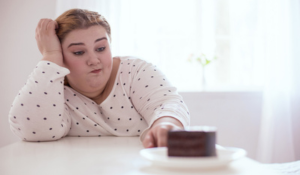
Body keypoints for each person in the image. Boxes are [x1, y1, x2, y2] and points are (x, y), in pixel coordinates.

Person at [8, 8, 190, 148]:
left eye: (101, 48)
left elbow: (167, 104)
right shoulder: (52, 90)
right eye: (79, 52)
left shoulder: (135, 71)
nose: (94, 60)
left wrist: (165, 124)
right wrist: (50, 55)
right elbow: (34, 131)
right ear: (61, 57)